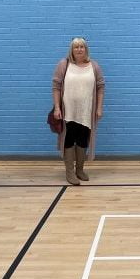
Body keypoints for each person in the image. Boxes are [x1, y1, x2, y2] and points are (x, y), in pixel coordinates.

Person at [52, 38, 105, 185]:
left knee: (82, 140)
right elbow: (56, 86)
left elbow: (101, 87)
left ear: (86, 49)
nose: (79, 49)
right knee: (69, 140)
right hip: (68, 112)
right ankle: (70, 172)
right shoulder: (64, 64)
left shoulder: (94, 66)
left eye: (82, 47)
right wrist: (57, 107)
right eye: (76, 47)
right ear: (72, 50)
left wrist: (99, 107)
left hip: (87, 111)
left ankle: (79, 170)